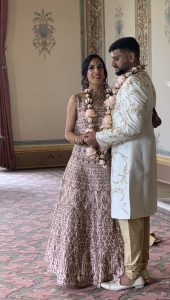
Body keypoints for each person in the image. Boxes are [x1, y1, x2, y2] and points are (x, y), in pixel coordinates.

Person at [84, 37, 158, 291]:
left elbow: (132, 126)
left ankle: (130, 274)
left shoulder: (133, 83)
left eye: (117, 57)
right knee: (137, 214)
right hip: (137, 155)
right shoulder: (140, 79)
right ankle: (141, 270)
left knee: (130, 215)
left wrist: (99, 137)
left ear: (132, 57)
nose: (112, 62)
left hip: (131, 157)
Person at [44, 54, 124, 288]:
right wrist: (80, 140)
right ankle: (74, 271)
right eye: (91, 68)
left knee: (103, 215)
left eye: (100, 67)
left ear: (105, 72)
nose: (96, 71)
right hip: (80, 165)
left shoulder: (114, 99)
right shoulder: (77, 99)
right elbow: (67, 132)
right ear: (85, 73)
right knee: (76, 214)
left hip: (105, 165)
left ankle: (106, 270)